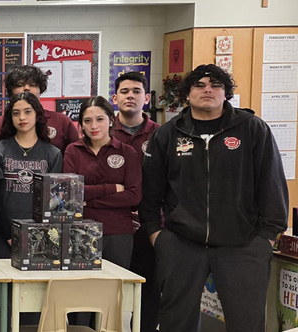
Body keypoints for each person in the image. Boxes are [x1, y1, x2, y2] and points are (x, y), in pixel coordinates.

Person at [142, 64, 288, 332]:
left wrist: (266, 238)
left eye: (215, 85)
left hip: (243, 244)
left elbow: (272, 184)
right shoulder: (167, 134)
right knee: (176, 323)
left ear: (226, 93)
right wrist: (157, 235)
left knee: (246, 324)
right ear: (187, 94)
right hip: (182, 244)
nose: (207, 89)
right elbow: (150, 192)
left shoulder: (252, 129)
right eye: (199, 85)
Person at [63, 96, 141, 268]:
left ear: (111, 120)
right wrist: (112, 188)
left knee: (116, 282)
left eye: (100, 119)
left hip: (118, 232)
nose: (94, 126)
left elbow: (133, 196)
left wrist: (88, 201)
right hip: (80, 230)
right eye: (87, 121)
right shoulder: (73, 151)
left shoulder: (127, 152)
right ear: (81, 124)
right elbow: (71, 192)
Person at [0, 92, 63, 259]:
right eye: (16, 113)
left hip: (39, 231)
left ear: (37, 115)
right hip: (3, 230)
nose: (22, 117)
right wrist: (8, 232)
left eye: (27, 112)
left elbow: (53, 200)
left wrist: (42, 232)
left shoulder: (53, 154)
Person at [110, 72, 161, 332]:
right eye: (125, 91)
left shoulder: (161, 134)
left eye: (137, 91)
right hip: (111, 223)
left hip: (150, 224)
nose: (130, 96)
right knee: (106, 290)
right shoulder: (102, 129)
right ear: (114, 98)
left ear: (147, 98)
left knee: (148, 289)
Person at [0, 65, 79, 153]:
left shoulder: (61, 122)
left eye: (32, 84)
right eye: (20, 85)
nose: (27, 88)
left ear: (40, 89)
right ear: (11, 91)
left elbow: (75, 156)